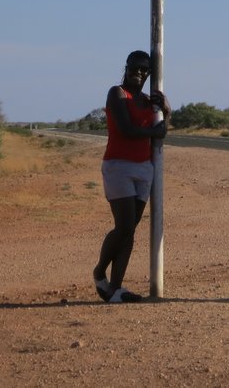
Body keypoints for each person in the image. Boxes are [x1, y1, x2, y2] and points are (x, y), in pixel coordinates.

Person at [93, 50, 170, 303]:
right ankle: (99, 272)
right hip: (119, 167)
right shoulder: (117, 93)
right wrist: (154, 132)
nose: (139, 72)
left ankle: (115, 289)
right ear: (126, 67)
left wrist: (166, 113)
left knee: (130, 231)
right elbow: (126, 129)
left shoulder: (150, 101)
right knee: (124, 226)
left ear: (149, 73)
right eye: (134, 67)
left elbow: (160, 132)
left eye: (144, 69)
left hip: (144, 168)